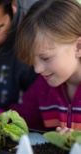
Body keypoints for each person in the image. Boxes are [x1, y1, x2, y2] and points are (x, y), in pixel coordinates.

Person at [12, 0, 81, 131]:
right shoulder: (42, 87)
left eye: (46, 58)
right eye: (33, 59)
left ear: (78, 46)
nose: (37, 69)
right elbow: (20, 120)